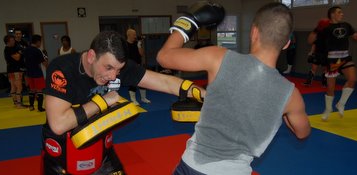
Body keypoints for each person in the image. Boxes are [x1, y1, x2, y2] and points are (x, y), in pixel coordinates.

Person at [157, 2, 311, 174]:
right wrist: (282, 111)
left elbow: (164, 57)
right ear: (286, 44)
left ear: (253, 32)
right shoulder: (291, 95)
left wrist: (190, 21)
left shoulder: (218, 57)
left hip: (191, 166)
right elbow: (302, 132)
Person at [42, 31, 204, 174]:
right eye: (108, 68)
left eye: (118, 70)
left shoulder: (118, 69)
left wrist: (203, 94)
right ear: (91, 56)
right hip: (61, 156)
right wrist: (103, 101)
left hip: (101, 150)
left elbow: (165, 82)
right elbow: (58, 124)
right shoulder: (63, 68)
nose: (113, 76)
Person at [319, 6, 357, 121]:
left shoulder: (346, 25)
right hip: (332, 59)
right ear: (332, 14)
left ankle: (341, 104)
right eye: (339, 12)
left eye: (342, 12)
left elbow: (355, 36)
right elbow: (315, 41)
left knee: (352, 79)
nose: (342, 14)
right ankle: (328, 109)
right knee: (330, 89)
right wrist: (318, 30)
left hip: (345, 57)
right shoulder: (326, 27)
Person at [125, 28, 150, 105]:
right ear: (129, 35)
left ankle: (143, 98)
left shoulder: (137, 43)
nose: (135, 36)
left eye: (135, 34)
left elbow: (142, 54)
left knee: (143, 81)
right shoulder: (124, 44)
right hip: (129, 66)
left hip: (138, 65)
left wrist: (139, 46)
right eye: (134, 34)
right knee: (133, 82)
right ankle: (133, 99)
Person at [24, 34, 48, 112]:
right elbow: (44, 62)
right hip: (37, 73)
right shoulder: (37, 51)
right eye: (40, 42)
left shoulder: (26, 50)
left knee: (32, 90)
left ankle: (31, 106)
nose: (40, 44)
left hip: (29, 73)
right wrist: (50, 68)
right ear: (37, 42)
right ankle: (40, 107)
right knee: (39, 90)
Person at [303, 18, 330, 87]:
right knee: (313, 68)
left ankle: (324, 82)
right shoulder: (317, 32)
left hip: (326, 53)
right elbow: (312, 42)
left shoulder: (328, 33)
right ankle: (308, 82)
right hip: (317, 53)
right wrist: (311, 52)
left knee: (325, 69)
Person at [3, 35, 27, 109]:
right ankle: (19, 104)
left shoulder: (10, 48)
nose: (14, 41)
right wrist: (20, 52)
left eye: (13, 40)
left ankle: (16, 102)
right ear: (8, 42)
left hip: (11, 70)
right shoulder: (9, 49)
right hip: (15, 70)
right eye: (12, 40)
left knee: (13, 87)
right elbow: (17, 58)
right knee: (19, 87)